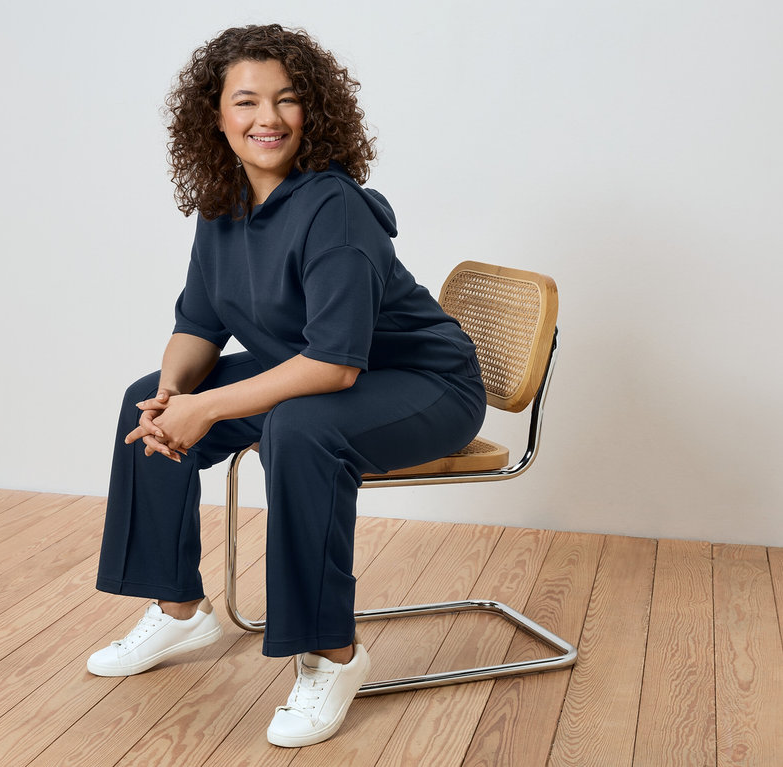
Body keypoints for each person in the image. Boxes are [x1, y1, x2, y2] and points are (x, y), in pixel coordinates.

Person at [87, 23, 487, 748]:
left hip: (425, 385)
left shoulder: (335, 208)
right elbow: (198, 325)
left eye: (288, 100)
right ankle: (180, 611)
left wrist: (207, 406)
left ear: (315, 112)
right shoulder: (222, 204)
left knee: (299, 429)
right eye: (246, 102)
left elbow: (334, 365)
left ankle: (331, 654)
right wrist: (176, 394)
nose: (267, 119)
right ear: (215, 114)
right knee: (144, 392)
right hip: (315, 375)